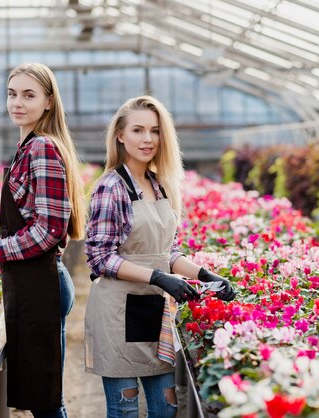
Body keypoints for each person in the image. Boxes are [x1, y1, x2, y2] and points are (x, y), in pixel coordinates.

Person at [84, 95, 236, 418]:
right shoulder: (111, 187)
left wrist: (205, 275)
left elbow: (167, 252)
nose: (148, 139)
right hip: (117, 312)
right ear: (120, 136)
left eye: (154, 131)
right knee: (125, 409)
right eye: (138, 130)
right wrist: (156, 277)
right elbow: (100, 259)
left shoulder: (160, 185)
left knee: (166, 407)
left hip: (154, 311)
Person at [0, 63, 85, 418]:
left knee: (45, 401)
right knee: (43, 399)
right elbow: (29, 222)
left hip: (42, 285)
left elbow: (49, 230)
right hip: (33, 283)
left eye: (29, 95)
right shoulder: (27, 146)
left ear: (48, 101)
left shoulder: (42, 147)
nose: (17, 102)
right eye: (12, 94)